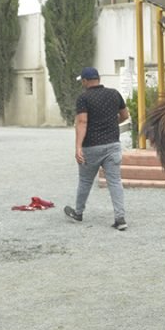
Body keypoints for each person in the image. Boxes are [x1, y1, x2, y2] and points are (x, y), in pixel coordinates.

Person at [64, 66, 130, 231]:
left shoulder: (83, 98)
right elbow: (125, 115)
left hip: (91, 146)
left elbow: (82, 122)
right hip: (113, 145)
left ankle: (78, 212)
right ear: (98, 79)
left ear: (85, 81)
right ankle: (120, 218)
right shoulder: (114, 94)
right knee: (115, 181)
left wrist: (78, 147)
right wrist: (111, 123)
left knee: (85, 180)